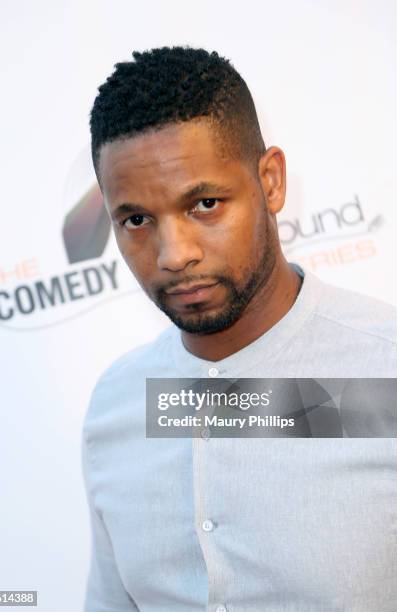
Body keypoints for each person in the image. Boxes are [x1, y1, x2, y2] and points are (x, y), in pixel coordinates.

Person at [82, 47, 397, 611]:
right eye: (136, 220)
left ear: (271, 181)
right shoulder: (118, 406)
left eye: (205, 203)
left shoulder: (384, 371)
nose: (174, 254)